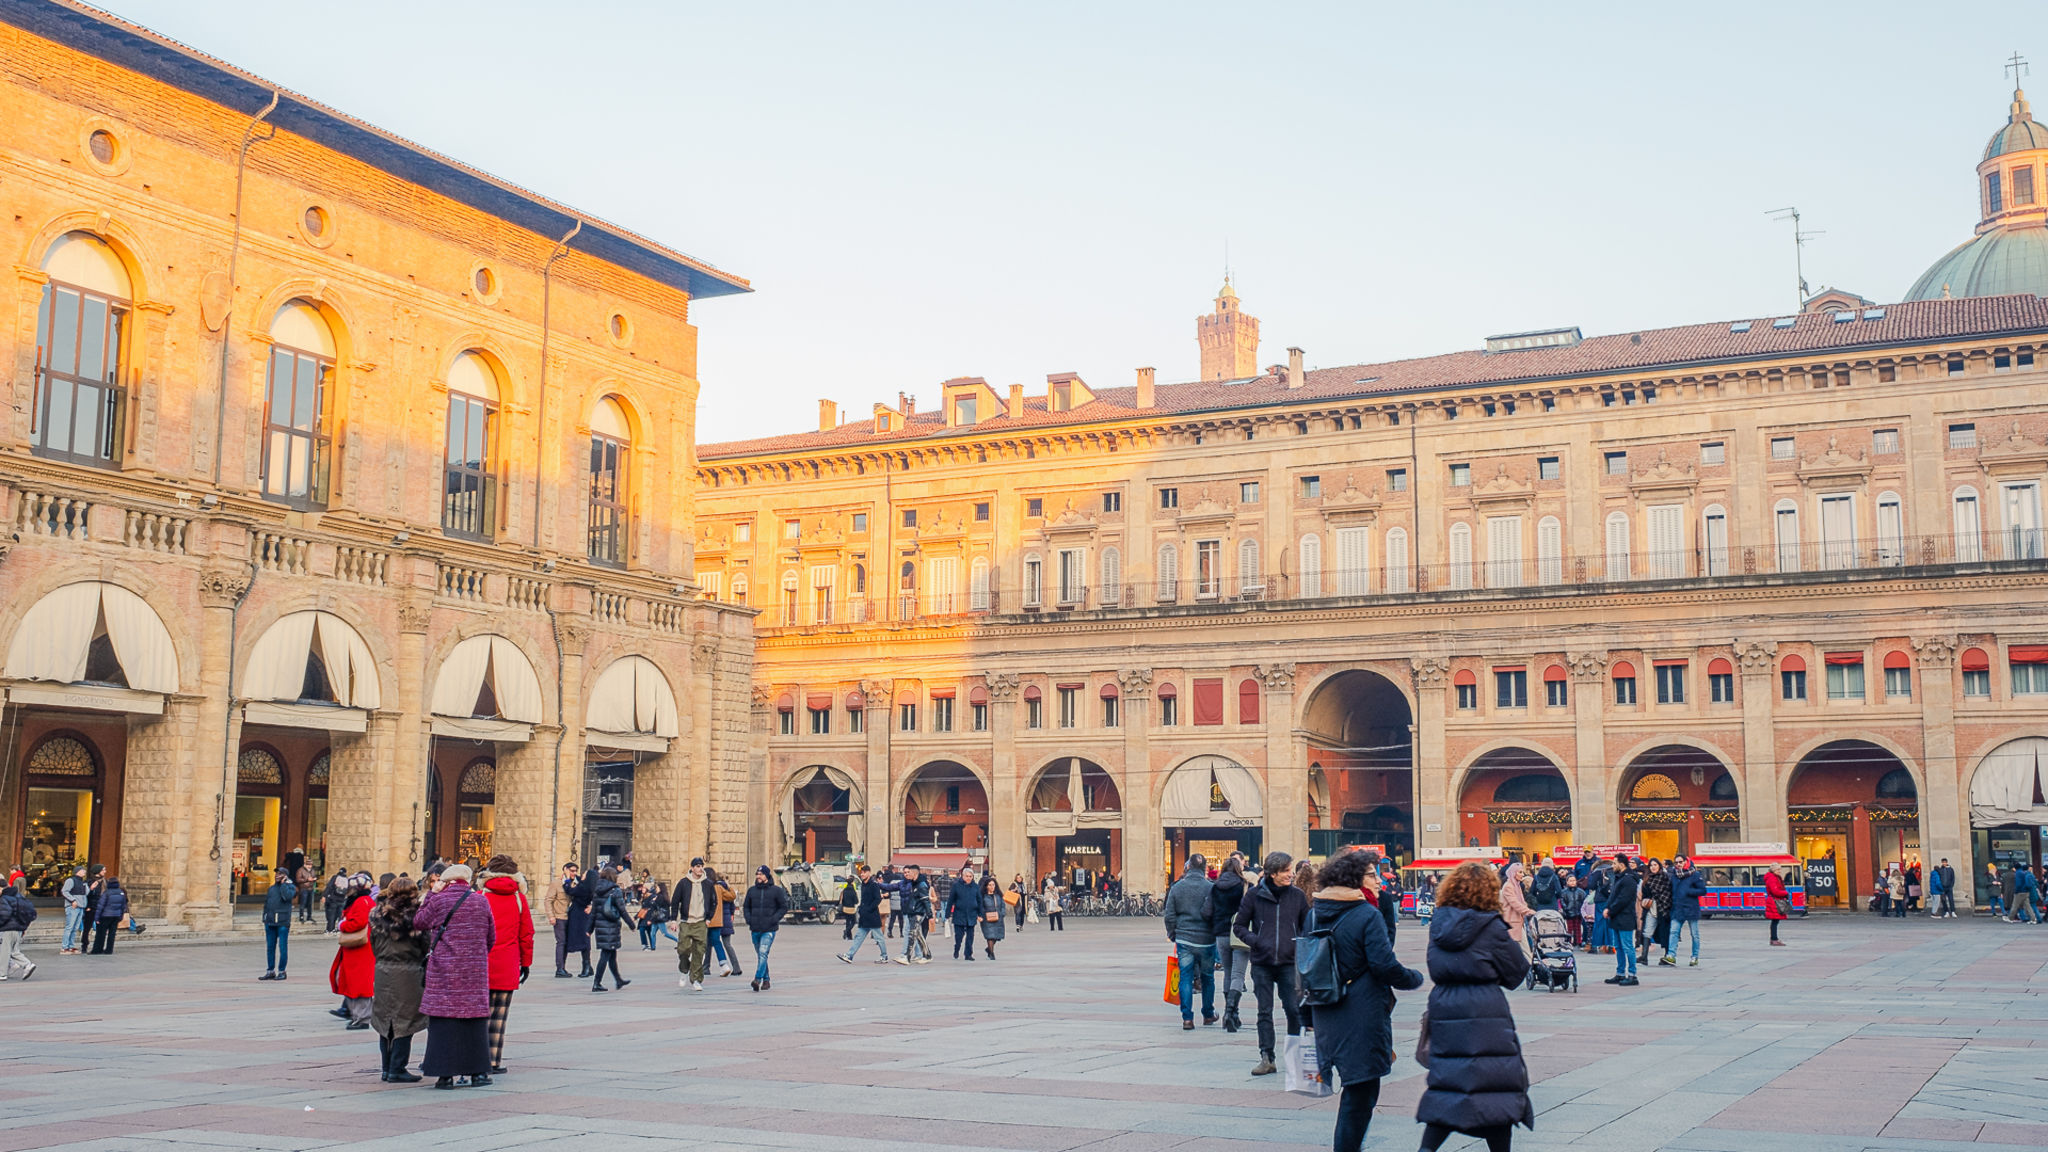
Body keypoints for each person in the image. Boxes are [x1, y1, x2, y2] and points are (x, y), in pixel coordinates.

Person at [1298, 849, 1422, 1152]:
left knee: (1355, 1091)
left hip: (1326, 1009)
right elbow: (1383, 964)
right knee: (1362, 1091)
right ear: (1354, 878)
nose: (1379, 880)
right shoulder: (1366, 913)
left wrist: (1304, 1018)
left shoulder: (1316, 911)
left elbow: (1304, 965)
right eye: (1372, 874)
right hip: (1361, 1012)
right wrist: (1413, 978)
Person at [1413, 861, 1534, 1152]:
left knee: (1448, 1081)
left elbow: (1436, 966)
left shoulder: (1438, 925)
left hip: (1444, 1005)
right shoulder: (1491, 926)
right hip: (1484, 1010)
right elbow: (1516, 972)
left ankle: (1427, 1148)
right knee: (1496, 1085)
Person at [414, 864, 496, 1088]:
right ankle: (478, 1074)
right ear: (467, 881)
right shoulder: (481, 901)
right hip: (474, 972)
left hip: (444, 970)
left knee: (443, 1022)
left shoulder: (439, 900)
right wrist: (475, 956)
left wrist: (432, 893)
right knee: (474, 1023)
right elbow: (491, 936)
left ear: (446, 882)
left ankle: (445, 1076)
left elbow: (419, 921)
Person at [1232, 850, 1309, 1075]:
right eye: (1286, 871)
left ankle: (1295, 1057)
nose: (1290, 875)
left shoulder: (1297, 896)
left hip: (1288, 962)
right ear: (1273, 873)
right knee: (1264, 1011)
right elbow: (1239, 926)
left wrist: (1300, 943)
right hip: (1262, 963)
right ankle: (1267, 1057)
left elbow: (1307, 925)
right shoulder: (1254, 896)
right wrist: (1256, 941)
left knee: (1294, 1010)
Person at [369, 876, 428, 1083]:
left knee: (385, 1021)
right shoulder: (417, 915)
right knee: (405, 1021)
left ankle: (386, 1068)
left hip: (384, 970)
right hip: (409, 971)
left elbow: (373, 943)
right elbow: (425, 945)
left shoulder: (377, 913)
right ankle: (397, 1068)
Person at [479, 856, 534, 1075]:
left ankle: (478, 1059)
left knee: (479, 1015)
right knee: (499, 1017)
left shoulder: (480, 897)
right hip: (508, 964)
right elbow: (527, 934)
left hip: (482, 964)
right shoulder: (519, 899)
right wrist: (526, 963)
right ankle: (494, 1061)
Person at [1162, 854, 1217, 1029]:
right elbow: (1217, 914)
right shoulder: (1211, 888)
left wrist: (1172, 934)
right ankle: (1208, 1014)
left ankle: (1187, 1018)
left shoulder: (1177, 888)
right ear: (1204, 868)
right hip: (1206, 939)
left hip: (1185, 938)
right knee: (1208, 978)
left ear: (1188, 867)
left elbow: (1169, 915)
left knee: (1185, 977)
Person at [329, 874, 376, 1026]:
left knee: (359, 984)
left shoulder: (362, 902)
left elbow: (358, 922)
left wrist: (342, 925)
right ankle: (356, 1015)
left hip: (359, 950)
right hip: (357, 949)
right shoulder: (364, 900)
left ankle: (362, 1018)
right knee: (354, 983)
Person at [1210, 855, 1250, 1034]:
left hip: (1221, 933)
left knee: (1227, 972)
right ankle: (1231, 1013)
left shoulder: (1215, 887)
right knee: (1238, 974)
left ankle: (1230, 1014)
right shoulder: (1243, 885)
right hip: (1239, 933)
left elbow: (1206, 911)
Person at [673, 857, 718, 989]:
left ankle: (696, 979)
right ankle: (684, 969)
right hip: (687, 921)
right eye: (697, 866)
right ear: (692, 868)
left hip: (701, 922)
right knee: (683, 949)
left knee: (699, 951)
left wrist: (709, 918)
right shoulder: (683, 883)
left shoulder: (708, 884)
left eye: (701, 866)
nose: (700, 868)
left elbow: (713, 902)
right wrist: (673, 920)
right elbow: (675, 902)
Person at [742, 866, 788, 990]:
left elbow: (783, 907)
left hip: (769, 929)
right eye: (757, 874)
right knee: (761, 955)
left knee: (763, 953)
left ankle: (757, 979)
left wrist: (774, 919)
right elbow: (746, 906)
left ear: (767, 876)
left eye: (761, 874)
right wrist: (749, 919)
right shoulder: (752, 891)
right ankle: (766, 980)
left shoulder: (776, 891)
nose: (758, 876)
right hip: (755, 928)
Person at [586, 865, 630, 992]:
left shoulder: (598, 890)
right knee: (605, 955)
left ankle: (618, 980)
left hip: (600, 928)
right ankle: (597, 983)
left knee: (611, 955)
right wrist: (631, 924)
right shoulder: (615, 891)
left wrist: (589, 929)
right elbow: (622, 910)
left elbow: (593, 912)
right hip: (610, 927)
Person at [1602, 858, 1640, 985]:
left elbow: (1623, 899)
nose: (1613, 865)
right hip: (1617, 917)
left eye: (1614, 863)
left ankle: (1632, 975)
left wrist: (1610, 910)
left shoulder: (1628, 879)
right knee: (1618, 947)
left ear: (1622, 864)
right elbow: (1613, 896)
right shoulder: (1619, 878)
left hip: (1625, 917)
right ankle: (1620, 973)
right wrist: (1608, 907)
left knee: (1628, 947)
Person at [259, 866, 298, 980]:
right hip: (270, 921)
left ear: (285, 876)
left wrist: (284, 884)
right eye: (276, 873)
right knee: (270, 947)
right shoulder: (271, 888)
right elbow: (267, 904)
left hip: (282, 922)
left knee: (282, 947)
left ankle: (282, 971)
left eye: (280, 873)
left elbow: (287, 897)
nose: (277, 875)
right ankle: (270, 970)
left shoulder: (290, 887)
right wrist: (265, 917)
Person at [942, 864, 987, 962]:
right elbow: (950, 901)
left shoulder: (975, 887)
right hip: (959, 914)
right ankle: (957, 948)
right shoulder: (956, 886)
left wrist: (980, 914)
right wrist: (947, 914)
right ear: (962, 876)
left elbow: (979, 901)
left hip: (971, 914)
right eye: (967, 876)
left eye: (970, 876)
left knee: (970, 936)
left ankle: (968, 954)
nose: (969, 878)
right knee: (959, 936)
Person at [891, 863, 933, 963]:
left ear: (914, 873)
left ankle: (907, 956)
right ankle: (927, 955)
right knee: (918, 935)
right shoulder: (914, 884)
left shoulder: (921, 885)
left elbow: (926, 900)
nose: (906, 874)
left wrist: (930, 915)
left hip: (918, 912)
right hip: (913, 911)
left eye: (909, 872)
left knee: (912, 934)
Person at [1668, 856, 1705, 966]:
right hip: (1678, 908)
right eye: (1676, 862)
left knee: (1694, 934)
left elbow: (1703, 890)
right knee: (1673, 932)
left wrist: (1688, 891)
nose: (1678, 864)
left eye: (1680, 862)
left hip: (1691, 908)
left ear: (1686, 862)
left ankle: (1695, 956)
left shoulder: (1694, 874)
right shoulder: (1674, 875)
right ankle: (1671, 955)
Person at [1638, 858, 1672, 965]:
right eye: (1651, 865)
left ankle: (1667, 956)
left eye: (1655, 865)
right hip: (1651, 909)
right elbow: (1644, 894)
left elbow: (1669, 893)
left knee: (1665, 933)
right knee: (1647, 932)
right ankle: (1644, 957)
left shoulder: (1666, 878)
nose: (1653, 867)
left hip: (1664, 909)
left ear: (1659, 866)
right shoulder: (1647, 879)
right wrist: (1645, 900)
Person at [0, 882, 36, 981]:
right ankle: (23, 965)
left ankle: (2, 973)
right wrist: (24, 926)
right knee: (14, 951)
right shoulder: (19, 896)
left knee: (4, 951)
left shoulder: (4, 899)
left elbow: (4, 914)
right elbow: (31, 912)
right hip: (18, 929)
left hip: (7, 929)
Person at [563, 866, 595, 979]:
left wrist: (567, 879)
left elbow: (569, 890)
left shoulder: (583, 887)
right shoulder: (590, 887)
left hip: (578, 915)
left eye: (585, 874)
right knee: (585, 939)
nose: (582, 875)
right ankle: (588, 966)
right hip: (585, 916)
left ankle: (586, 967)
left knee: (583, 940)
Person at [87, 875, 128, 955]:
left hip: (105, 916)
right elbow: (123, 906)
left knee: (100, 933)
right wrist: (120, 916)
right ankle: (109, 950)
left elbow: (100, 906)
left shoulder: (107, 892)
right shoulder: (121, 893)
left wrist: (97, 918)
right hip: (116, 916)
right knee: (112, 934)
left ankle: (97, 949)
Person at [548, 864, 576, 976]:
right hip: (559, 917)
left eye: (575, 871)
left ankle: (563, 967)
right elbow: (548, 900)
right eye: (572, 870)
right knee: (561, 942)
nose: (573, 873)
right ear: (565, 870)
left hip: (570, 917)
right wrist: (551, 915)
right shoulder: (556, 883)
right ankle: (559, 968)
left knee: (566, 943)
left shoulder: (574, 883)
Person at [1499, 860, 1531, 944]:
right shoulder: (1508, 886)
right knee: (1522, 949)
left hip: (1517, 921)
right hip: (1511, 922)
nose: (1522, 875)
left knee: (1523, 949)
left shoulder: (1516, 885)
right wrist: (1527, 911)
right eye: (1520, 872)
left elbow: (1521, 901)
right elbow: (1514, 902)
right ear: (1513, 873)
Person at [58, 866, 87, 955]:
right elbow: (65, 891)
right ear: (77, 872)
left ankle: (70, 946)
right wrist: (72, 900)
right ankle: (64, 947)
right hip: (73, 906)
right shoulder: (71, 880)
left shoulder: (82, 882)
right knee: (69, 927)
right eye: (83, 870)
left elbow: (85, 893)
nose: (84, 872)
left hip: (80, 906)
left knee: (75, 928)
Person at [977, 874, 1007, 958]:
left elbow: (1003, 905)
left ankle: (989, 949)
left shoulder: (998, 896)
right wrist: (980, 915)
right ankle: (991, 953)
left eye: (993, 885)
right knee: (990, 935)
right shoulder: (983, 896)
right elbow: (980, 906)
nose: (991, 886)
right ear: (986, 886)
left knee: (997, 936)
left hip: (998, 917)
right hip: (987, 918)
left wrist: (1002, 913)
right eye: (989, 885)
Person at [637, 881, 670, 950]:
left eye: (644, 888)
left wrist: (650, 919)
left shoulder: (654, 896)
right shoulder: (645, 897)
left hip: (653, 917)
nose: (642, 889)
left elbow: (654, 907)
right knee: (651, 932)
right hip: (652, 917)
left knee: (664, 933)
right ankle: (652, 947)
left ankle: (678, 941)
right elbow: (643, 908)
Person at [1763, 865, 1791, 945]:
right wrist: (1785, 893)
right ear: (1773, 870)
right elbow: (1775, 891)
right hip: (1774, 901)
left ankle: (1774, 938)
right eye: (1778, 869)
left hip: (1774, 900)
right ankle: (1774, 939)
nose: (1780, 871)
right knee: (1775, 920)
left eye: (1780, 869)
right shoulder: (1772, 878)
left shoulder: (1774, 877)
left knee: (1775, 921)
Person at [1558, 874, 1586, 949]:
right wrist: (1566, 908)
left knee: (1578, 928)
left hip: (1578, 911)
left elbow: (1583, 901)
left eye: (1574, 880)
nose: (1572, 882)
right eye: (1570, 881)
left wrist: (1582, 910)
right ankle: (1569, 941)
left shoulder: (1580, 891)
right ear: (1567, 882)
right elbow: (1562, 901)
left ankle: (1578, 941)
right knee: (1569, 928)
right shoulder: (1564, 892)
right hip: (1568, 912)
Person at [324, 869, 350, 933]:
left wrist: (325, 895)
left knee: (331, 915)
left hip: (333, 899)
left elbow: (329, 887)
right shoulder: (346, 879)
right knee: (340, 916)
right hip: (342, 900)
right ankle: (339, 929)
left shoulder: (335, 877)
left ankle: (330, 929)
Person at [837, 873, 860, 940]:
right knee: (853, 921)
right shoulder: (853, 891)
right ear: (852, 883)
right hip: (851, 908)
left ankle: (849, 936)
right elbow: (856, 901)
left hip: (845, 908)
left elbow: (842, 899)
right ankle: (846, 931)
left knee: (847, 921)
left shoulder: (844, 890)